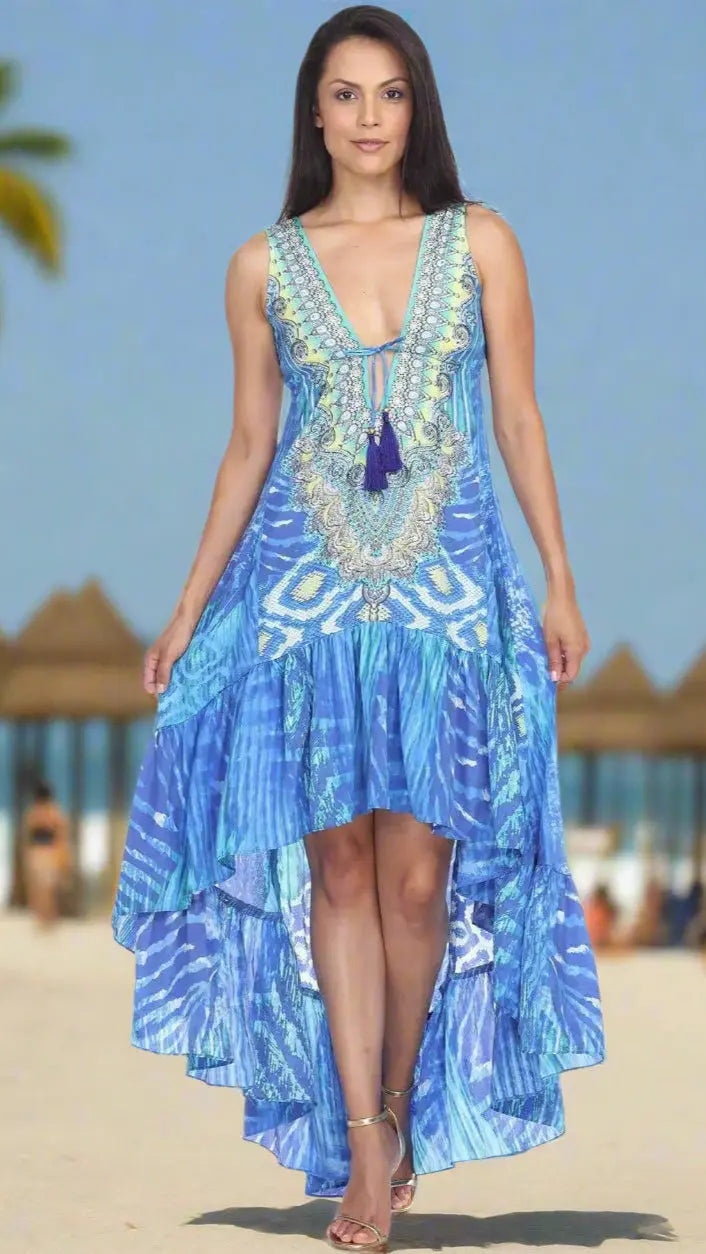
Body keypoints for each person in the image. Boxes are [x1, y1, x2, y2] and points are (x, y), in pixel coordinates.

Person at [112, 6, 607, 1249]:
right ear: (314, 113)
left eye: (390, 94)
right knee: (334, 865)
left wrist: (557, 575)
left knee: (418, 875)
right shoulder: (261, 267)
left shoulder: (480, 242)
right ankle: (367, 1149)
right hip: (303, 598)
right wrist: (182, 612)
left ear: (415, 109)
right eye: (346, 95)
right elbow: (246, 447)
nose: (370, 116)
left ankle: (390, 1106)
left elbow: (520, 418)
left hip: (449, 593)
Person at [21, 780, 72, 928]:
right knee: (47, 888)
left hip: (38, 851)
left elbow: (28, 836)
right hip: (50, 851)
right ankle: (48, 917)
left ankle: (44, 918)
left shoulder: (33, 813)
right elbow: (61, 835)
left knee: (40, 888)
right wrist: (64, 856)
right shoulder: (54, 812)